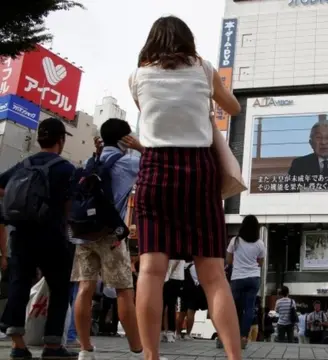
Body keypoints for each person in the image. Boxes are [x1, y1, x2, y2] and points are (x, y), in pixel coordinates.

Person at [130, 15, 243, 360]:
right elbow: (234, 107)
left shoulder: (137, 76)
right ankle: (234, 357)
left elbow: (149, 114)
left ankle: (151, 355)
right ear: (187, 41)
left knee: (150, 269)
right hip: (198, 173)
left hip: (155, 173)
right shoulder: (205, 68)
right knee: (213, 276)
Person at [0, 118, 77, 359]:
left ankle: (17, 345)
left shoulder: (24, 165)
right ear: (60, 140)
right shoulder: (66, 168)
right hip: (52, 235)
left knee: (18, 285)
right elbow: (70, 204)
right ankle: (52, 346)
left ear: (39, 139)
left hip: (21, 233)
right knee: (59, 289)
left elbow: (1, 186)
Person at [71, 118, 143, 359]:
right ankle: (136, 350)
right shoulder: (130, 161)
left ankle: (85, 349)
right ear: (125, 139)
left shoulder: (93, 160)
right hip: (110, 235)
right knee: (124, 291)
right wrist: (141, 148)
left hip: (83, 233)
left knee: (85, 288)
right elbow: (158, 163)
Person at [226, 215, 265, 349]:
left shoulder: (235, 241)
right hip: (253, 278)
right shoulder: (260, 243)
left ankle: (232, 336)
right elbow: (260, 263)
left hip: (237, 278)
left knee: (235, 308)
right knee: (249, 308)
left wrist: (239, 264)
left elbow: (229, 260)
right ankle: (243, 337)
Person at [162, 260, 184, 343]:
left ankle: (167, 332)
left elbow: (176, 260)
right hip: (174, 277)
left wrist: (168, 273)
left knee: (167, 305)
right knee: (168, 305)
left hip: (172, 277)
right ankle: (168, 332)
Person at [176, 260, 198, 341]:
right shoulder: (194, 266)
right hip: (193, 291)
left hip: (183, 292)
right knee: (191, 313)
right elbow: (197, 280)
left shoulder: (182, 265)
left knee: (181, 313)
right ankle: (188, 334)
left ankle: (177, 333)